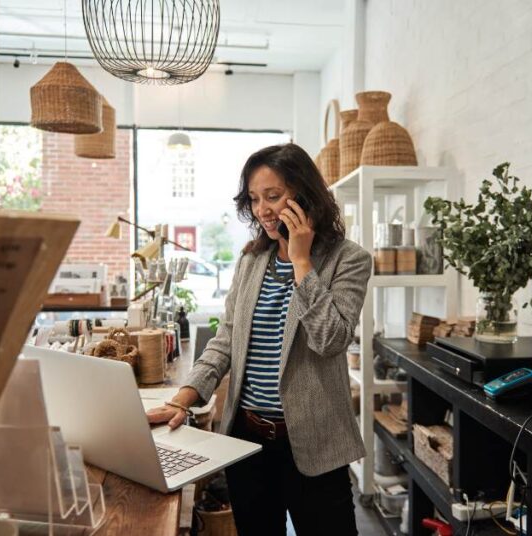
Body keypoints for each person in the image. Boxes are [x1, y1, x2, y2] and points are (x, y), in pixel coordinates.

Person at [147, 143, 372, 535]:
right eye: (254, 199)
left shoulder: (348, 260)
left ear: (304, 195)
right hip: (247, 443)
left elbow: (330, 340)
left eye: (273, 196)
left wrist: (302, 262)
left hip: (316, 444)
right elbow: (226, 339)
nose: (262, 209)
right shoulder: (252, 261)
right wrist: (183, 397)